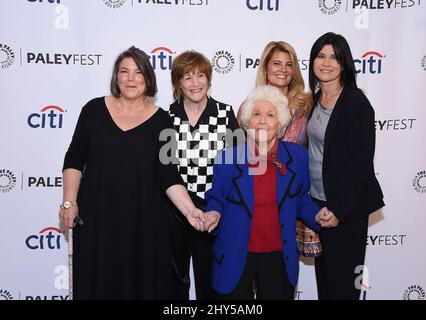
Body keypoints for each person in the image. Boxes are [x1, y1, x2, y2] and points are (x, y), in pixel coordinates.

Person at [59, 46, 206, 300]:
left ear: (148, 78)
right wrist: (69, 201)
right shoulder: (92, 110)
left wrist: (190, 210)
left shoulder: (163, 121)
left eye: (138, 73)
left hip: (144, 225)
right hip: (97, 220)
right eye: (124, 72)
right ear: (116, 77)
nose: (130, 79)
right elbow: (74, 159)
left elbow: (168, 174)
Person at [204, 85, 326, 300]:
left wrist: (318, 216)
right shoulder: (227, 157)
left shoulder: (297, 156)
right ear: (247, 122)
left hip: (279, 256)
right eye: (256, 114)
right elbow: (216, 198)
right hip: (234, 253)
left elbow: (300, 198)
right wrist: (213, 213)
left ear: (279, 124)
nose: (262, 121)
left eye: (270, 115)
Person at [307, 32, 385, 300]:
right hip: (319, 206)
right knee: (325, 285)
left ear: (344, 64)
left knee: (343, 290)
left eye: (334, 57)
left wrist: (338, 209)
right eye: (321, 56)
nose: (326, 63)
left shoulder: (355, 103)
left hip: (346, 210)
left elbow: (360, 164)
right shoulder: (315, 101)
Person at [168, 50, 241, 299]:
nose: (195, 83)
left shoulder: (224, 113)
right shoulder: (166, 117)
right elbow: (163, 168)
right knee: (173, 281)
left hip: (212, 212)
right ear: (178, 83)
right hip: (174, 211)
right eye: (187, 77)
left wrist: (218, 209)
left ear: (209, 79)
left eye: (201, 75)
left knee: (210, 282)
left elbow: (236, 165)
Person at [238, 41, 321, 257]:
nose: (283, 70)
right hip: (258, 197)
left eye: (288, 64)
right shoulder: (249, 106)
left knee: (282, 266)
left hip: (294, 196)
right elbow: (238, 155)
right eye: (276, 63)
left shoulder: (308, 104)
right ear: (265, 68)